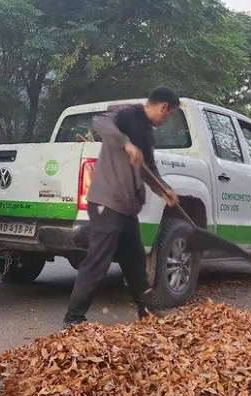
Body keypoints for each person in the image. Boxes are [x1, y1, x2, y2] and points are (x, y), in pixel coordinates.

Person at [63, 86, 182, 328]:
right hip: (108, 202)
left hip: (127, 208)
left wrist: (164, 189)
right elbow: (100, 124)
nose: (167, 120)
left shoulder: (147, 134)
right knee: (98, 261)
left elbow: (149, 170)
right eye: (169, 115)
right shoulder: (126, 115)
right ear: (163, 107)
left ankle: (148, 314)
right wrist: (126, 144)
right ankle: (73, 318)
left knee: (136, 263)